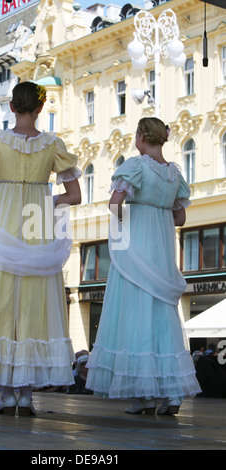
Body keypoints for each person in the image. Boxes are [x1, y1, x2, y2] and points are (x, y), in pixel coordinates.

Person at [0, 81, 81, 416]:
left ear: (12, 107)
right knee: (34, 303)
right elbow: (74, 196)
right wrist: (45, 199)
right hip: (37, 222)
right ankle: (26, 395)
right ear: (40, 109)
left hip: (3, 223)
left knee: (1, 301)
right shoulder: (54, 144)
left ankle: (7, 394)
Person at [86, 117, 201, 415]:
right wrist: (159, 212)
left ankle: (145, 394)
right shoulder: (174, 173)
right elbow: (181, 219)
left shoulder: (137, 166)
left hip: (137, 243)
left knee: (136, 309)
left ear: (140, 137)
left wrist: (129, 220)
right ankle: (172, 393)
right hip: (162, 247)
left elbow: (114, 204)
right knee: (162, 313)